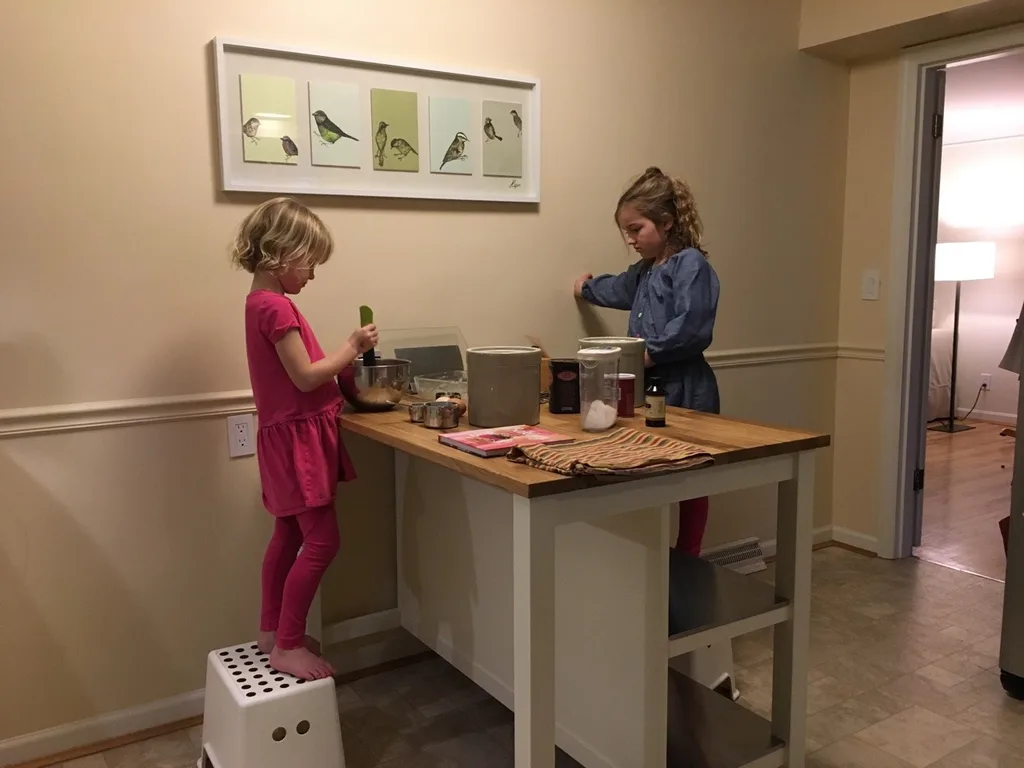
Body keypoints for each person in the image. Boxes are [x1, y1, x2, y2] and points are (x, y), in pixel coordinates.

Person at [231, 197, 378, 680]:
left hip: (284, 439)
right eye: (310, 262)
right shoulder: (275, 308)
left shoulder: (261, 304)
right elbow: (306, 377)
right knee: (323, 541)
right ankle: (288, 645)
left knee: (288, 534)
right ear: (281, 253)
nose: (312, 275)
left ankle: (272, 632)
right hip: (298, 445)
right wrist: (351, 347)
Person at [574, 167, 720, 555]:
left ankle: (687, 553)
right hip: (651, 389)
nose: (630, 239)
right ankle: (652, 557)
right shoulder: (643, 272)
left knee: (692, 477)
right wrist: (586, 287)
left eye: (636, 229)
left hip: (687, 389)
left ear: (667, 222)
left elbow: (692, 327)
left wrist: (647, 354)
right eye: (626, 231)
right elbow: (617, 287)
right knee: (651, 468)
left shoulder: (690, 265)